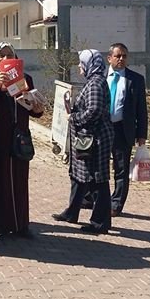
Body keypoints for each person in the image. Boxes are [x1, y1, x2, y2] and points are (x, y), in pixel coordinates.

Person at [0, 42, 44, 238]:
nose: (6, 59)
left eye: (10, 55)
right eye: (2, 56)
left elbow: (34, 110)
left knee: (19, 182)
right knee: (0, 182)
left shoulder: (26, 79)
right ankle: (0, 225)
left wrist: (37, 108)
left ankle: (20, 225)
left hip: (20, 140)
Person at [51, 49, 115, 233]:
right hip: (88, 138)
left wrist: (74, 117)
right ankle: (71, 212)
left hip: (95, 140)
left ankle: (100, 223)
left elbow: (93, 111)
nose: (79, 67)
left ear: (90, 64)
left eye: (82, 63)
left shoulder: (95, 84)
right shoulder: (94, 81)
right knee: (79, 176)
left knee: (97, 180)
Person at [103, 43, 148, 216]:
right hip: (102, 129)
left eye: (124, 56)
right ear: (109, 58)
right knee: (99, 166)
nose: (121, 59)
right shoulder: (100, 77)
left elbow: (141, 109)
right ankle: (97, 199)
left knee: (121, 168)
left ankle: (116, 204)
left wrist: (142, 134)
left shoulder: (135, 80)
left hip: (123, 129)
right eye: (118, 56)